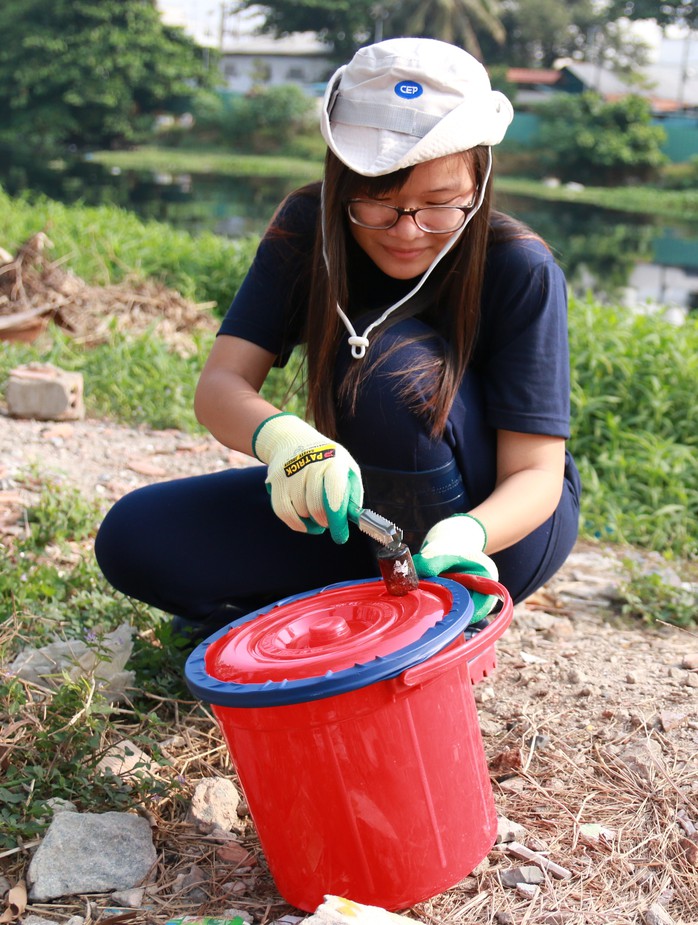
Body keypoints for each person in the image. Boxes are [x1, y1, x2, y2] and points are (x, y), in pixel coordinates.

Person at [95, 37, 581, 640]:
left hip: (495, 532)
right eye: (376, 203)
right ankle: (352, 606)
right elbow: (221, 385)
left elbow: (537, 473)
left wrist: (469, 534)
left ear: (478, 185)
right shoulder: (308, 229)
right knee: (137, 537)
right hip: (364, 514)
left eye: (438, 205)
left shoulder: (518, 266)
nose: (407, 231)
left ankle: (430, 612)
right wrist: (287, 441)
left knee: (387, 375)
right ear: (340, 181)